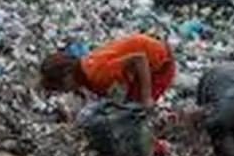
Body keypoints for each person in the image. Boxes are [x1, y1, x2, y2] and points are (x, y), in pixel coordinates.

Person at [40, 32, 176, 109]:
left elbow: (139, 58)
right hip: (139, 59)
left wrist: (146, 96)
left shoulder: (98, 74)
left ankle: (156, 148)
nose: (66, 91)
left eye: (63, 86)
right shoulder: (83, 68)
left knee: (137, 110)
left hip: (160, 63)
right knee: (125, 107)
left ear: (68, 75)